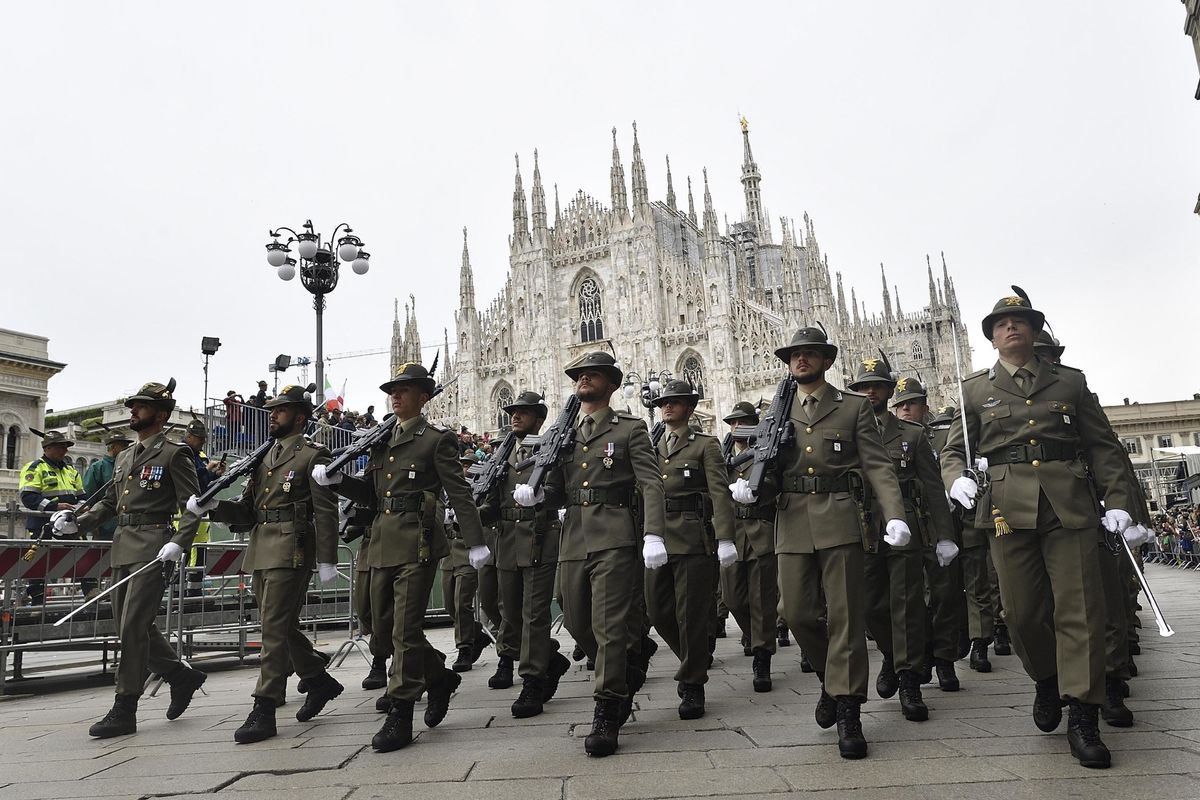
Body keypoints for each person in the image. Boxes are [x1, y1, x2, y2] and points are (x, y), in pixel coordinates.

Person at [942, 290, 1137, 769]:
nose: (1012, 328)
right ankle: (1047, 679)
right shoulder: (973, 390)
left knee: (1081, 610)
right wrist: (956, 481)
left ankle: (1083, 713)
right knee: (1023, 613)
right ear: (990, 336)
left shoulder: (1069, 383)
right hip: (1007, 510)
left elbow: (1103, 447)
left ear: (1035, 331)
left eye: (1021, 321)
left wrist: (1119, 504)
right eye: (1002, 323)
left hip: (1069, 507)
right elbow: (952, 452)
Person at [732, 327, 910, 760]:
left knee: (847, 616)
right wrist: (748, 486)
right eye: (795, 354)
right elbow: (763, 465)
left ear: (826, 361)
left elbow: (878, 466)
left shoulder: (851, 408)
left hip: (840, 518)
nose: (801, 360)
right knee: (794, 612)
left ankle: (849, 708)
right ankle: (833, 680)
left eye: (810, 354)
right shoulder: (774, 412)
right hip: (791, 521)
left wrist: (896, 515)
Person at [314, 361, 490, 753]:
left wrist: (475, 540)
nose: (395, 395)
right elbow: (374, 495)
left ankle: (402, 708)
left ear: (423, 397)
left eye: (404, 389)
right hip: (380, 541)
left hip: (417, 542)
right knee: (380, 626)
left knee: (405, 629)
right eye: (392, 390)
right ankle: (439, 677)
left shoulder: (435, 439)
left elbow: (458, 492)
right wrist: (340, 482)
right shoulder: (382, 438)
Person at [514, 351, 665, 757]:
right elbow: (563, 489)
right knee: (575, 616)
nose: (583, 379)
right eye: (580, 375)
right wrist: (540, 493)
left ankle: (608, 704)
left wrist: (653, 535)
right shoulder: (564, 435)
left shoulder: (630, 430)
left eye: (593, 374)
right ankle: (628, 661)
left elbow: (651, 485)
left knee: (609, 625)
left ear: (611, 384)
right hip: (575, 537)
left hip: (615, 536)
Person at [188, 383, 342, 742]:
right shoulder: (265, 457)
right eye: (272, 409)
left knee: (272, 628)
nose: (272, 414)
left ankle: (265, 705)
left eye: (281, 410)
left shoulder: (312, 455)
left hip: (293, 548)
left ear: (300, 417)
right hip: (261, 547)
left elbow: (326, 510)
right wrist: (215, 507)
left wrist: (328, 559)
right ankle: (318, 679)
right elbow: (246, 511)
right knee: (280, 625)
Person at [61, 378, 206, 738]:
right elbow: (110, 503)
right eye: (133, 405)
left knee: (131, 627)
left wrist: (179, 542)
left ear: (160, 414)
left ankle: (125, 706)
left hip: (154, 546)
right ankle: (180, 675)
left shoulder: (175, 453)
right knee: (132, 624)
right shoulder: (125, 455)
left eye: (140, 406)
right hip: (123, 544)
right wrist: (77, 523)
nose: (132, 410)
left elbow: (194, 506)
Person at [848, 362, 958, 723]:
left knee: (907, 602)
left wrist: (944, 535)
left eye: (877, 387)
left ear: (888, 391)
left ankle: (910, 679)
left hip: (907, 525)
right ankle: (892, 654)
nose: (870, 393)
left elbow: (931, 486)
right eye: (864, 387)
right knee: (870, 605)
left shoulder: (910, 434)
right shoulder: (846, 432)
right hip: (862, 525)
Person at [644, 380, 736, 719]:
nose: (667, 407)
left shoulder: (705, 445)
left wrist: (725, 537)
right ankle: (693, 657)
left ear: (689, 407)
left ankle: (693, 682)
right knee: (658, 611)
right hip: (657, 538)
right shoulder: (650, 446)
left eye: (675, 402)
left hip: (693, 537)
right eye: (663, 402)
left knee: (692, 615)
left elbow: (720, 492)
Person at [479, 391, 572, 718]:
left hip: (539, 536)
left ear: (538, 418)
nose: (515, 416)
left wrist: (540, 496)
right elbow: (492, 502)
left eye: (524, 412)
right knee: (509, 613)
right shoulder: (502, 453)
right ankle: (551, 658)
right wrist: (473, 517)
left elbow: (560, 492)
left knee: (534, 613)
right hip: (506, 540)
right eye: (513, 411)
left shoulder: (552, 449)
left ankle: (532, 679)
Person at [890, 375, 969, 695]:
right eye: (900, 405)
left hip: (939, 523)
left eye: (911, 403)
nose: (905, 409)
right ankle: (919, 657)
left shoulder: (942, 436)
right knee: (911, 598)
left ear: (925, 406)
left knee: (945, 594)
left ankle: (946, 659)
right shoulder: (892, 437)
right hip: (909, 525)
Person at [720, 401, 781, 693]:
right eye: (733, 423)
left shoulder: (765, 454)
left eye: (743, 422)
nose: (737, 428)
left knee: (762, 601)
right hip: (733, 534)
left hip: (759, 532)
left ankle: (762, 656)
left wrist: (757, 490)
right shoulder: (722, 457)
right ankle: (755, 635)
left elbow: (774, 484)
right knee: (733, 599)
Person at [20, 430, 86, 604]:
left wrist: (80, 508)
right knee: (38, 563)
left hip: (69, 524)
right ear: (47, 448)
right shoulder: (35, 468)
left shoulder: (72, 471)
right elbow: (28, 497)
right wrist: (55, 507)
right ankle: (37, 601)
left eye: (66, 447)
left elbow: (82, 496)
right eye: (60, 446)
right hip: (43, 526)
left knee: (82, 554)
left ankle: (91, 591)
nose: (64, 450)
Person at [442, 453, 489, 672]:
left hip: (469, 550)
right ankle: (475, 633)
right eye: (461, 465)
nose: (464, 470)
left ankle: (464, 647)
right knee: (449, 604)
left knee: (462, 602)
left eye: (468, 466)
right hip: (450, 553)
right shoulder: (447, 489)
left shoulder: (480, 489)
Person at [81, 431, 135, 598]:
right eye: (122, 445)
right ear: (112, 447)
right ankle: (92, 590)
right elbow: (89, 495)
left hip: (124, 523)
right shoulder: (98, 468)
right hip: (104, 523)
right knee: (97, 556)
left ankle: (115, 590)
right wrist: (94, 523)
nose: (126, 447)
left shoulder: (129, 465)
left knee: (122, 559)